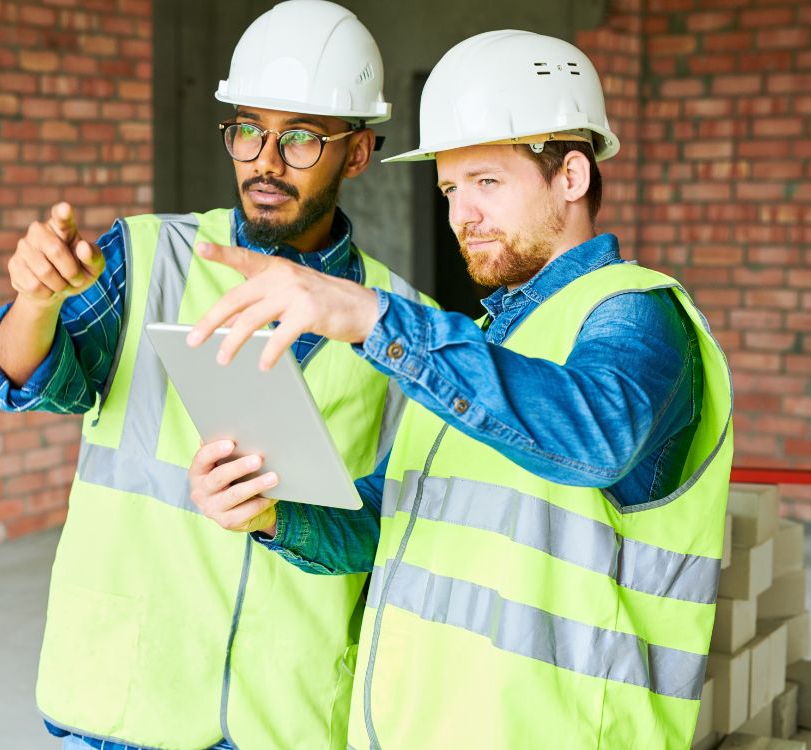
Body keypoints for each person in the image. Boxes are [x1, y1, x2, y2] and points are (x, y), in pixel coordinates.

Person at [187, 29, 732, 749]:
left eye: (488, 182)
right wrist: (270, 517)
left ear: (571, 176)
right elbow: (393, 522)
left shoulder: (637, 313)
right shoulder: (476, 341)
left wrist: (372, 316)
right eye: (450, 188)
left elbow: (594, 439)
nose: (461, 214)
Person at [0, 2, 427, 748]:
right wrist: (34, 301)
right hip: (127, 705)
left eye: (301, 138)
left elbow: (391, 528)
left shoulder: (401, 321)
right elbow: (31, 380)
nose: (265, 162)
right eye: (248, 129)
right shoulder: (151, 255)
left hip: (289, 716)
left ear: (359, 152)